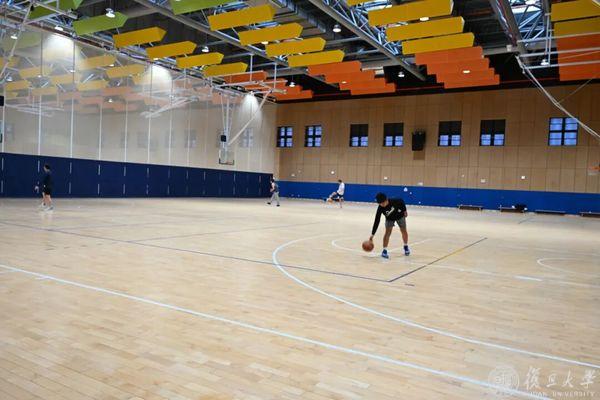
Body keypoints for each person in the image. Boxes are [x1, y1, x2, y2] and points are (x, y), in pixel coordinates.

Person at [369, 192, 409, 259]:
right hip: (389, 219)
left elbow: (401, 201)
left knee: (403, 230)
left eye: (383, 203)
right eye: (380, 204)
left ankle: (406, 246)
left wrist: (405, 210)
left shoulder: (395, 201)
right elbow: (377, 221)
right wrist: (372, 234)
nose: (382, 205)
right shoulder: (380, 208)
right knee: (387, 233)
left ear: (386, 199)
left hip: (400, 216)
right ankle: (384, 250)